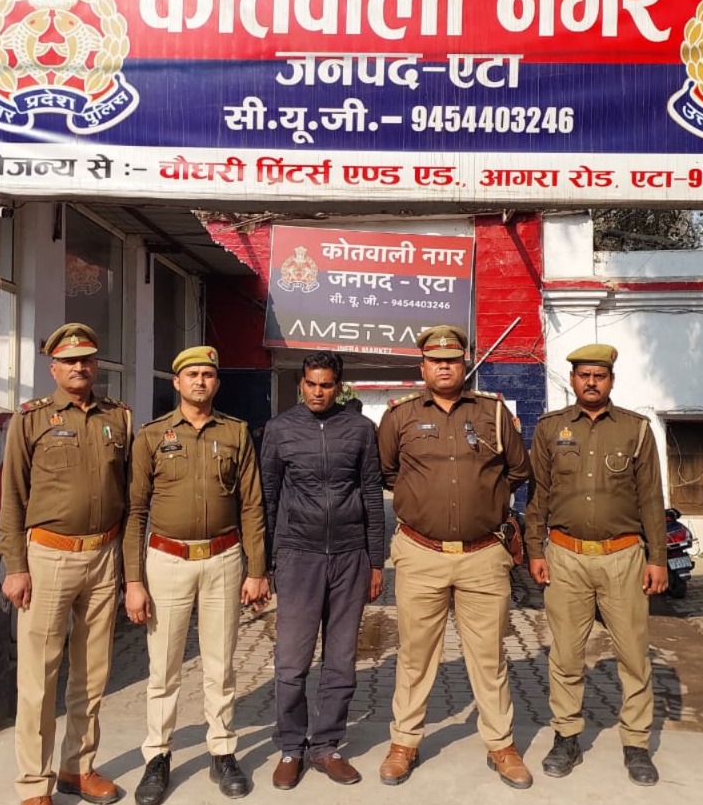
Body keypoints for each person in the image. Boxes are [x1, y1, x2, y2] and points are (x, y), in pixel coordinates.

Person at [376, 325, 533, 789]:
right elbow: (387, 472)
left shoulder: (494, 413)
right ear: (422, 366)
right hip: (420, 553)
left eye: (452, 360)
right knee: (415, 655)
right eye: (435, 360)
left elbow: (518, 470)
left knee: (489, 656)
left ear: (464, 364)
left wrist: (483, 500)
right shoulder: (399, 416)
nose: (444, 367)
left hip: (483, 556)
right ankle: (404, 742)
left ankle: (501, 744)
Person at [124, 345, 271, 804]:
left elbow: (252, 506)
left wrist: (257, 570)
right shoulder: (152, 435)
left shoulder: (235, 433)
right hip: (166, 560)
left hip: (223, 560)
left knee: (220, 665)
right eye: (192, 375)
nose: (200, 382)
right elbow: (136, 511)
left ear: (217, 383)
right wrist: (133, 580)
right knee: (164, 667)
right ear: (177, 382)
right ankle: (157, 755)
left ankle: (222, 750)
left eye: (208, 375)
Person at [0, 323, 130, 805]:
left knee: (92, 672)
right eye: (70, 361)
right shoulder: (31, 419)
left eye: (87, 359)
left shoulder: (119, 417)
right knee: (39, 676)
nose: (80, 367)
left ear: (96, 365)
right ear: (53, 368)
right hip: (48, 557)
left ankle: (78, 767)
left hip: (104, 555)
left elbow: (130, 495)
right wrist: (15, 565)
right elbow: (12, 498)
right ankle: (35, 783)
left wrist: (128, 567)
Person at [525, 344, 668, 787]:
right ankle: (566, 737)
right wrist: (534, 549)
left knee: (633, 655)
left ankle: (636, 743)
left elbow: (651, 498)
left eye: (599, 376)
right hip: (565, 556)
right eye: (584, 375)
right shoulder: (550, 429)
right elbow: (538, 494)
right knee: (566, 655)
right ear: (573, 379)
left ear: (611, 380)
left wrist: (657, 558)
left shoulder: (635, 430)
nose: (591, 382)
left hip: (623, 557)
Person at [260, 351, 386, 790]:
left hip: (350, 557)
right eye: (311, 384)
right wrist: (263, 564)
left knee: (341, 662)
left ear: (339, 386)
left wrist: (376, 561)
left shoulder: (360, 430)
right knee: (291, 663)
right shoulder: (279, 429)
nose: (318, 392)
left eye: (326, 385)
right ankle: (290, 747)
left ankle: (327, 745)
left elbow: (371, 494)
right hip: (299, 556)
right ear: (301, 384)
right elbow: (268, 497)